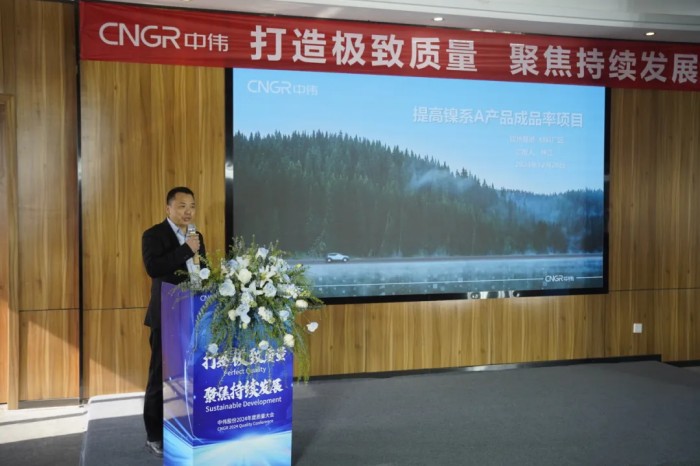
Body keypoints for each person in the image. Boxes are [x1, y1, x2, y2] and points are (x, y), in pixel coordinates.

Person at [141, 186, 205, 458]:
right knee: (160, 376)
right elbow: (153, 268)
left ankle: (186, 429)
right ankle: (154, 435)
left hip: (192, 314)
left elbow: (202, 271)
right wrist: (186, 250)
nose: (188, 211)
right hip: (165, 316)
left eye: (192, 206)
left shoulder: (197, 235)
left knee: (189, 376)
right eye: (182, 206)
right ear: (168, 209)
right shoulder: (153, 235)